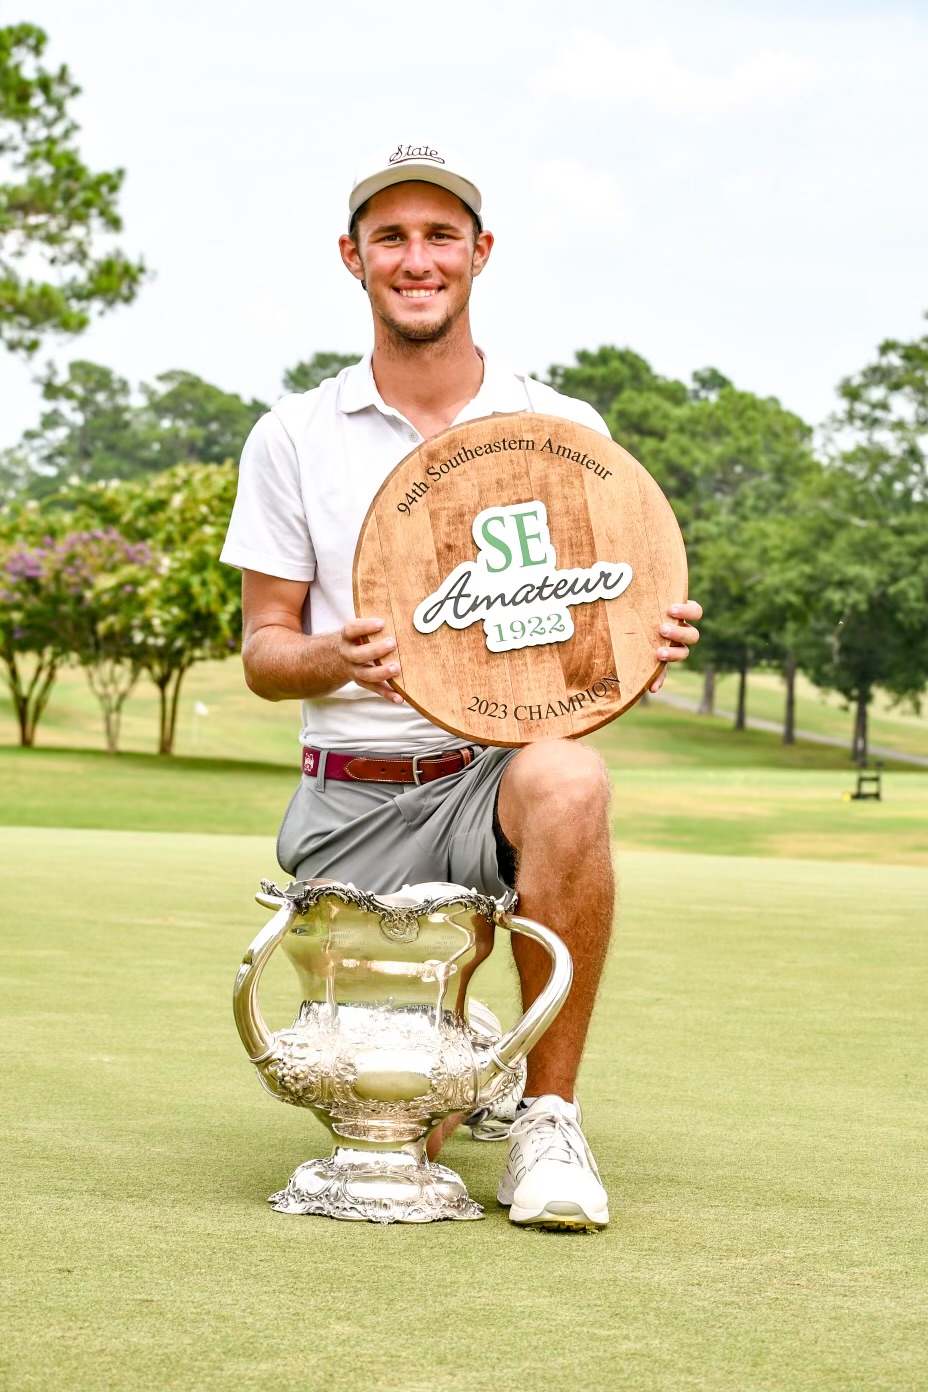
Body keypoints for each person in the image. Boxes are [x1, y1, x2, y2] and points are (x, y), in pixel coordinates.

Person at [221, 143, 702, 1231]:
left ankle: (547, 1116)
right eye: (390, 237)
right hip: (356, 792)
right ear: (352, 257)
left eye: (440, 235)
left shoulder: (562, 429)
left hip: (492, 775)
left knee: (569, 779)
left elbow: (583, 654)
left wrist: (641, 642)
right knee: (401, 1122)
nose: (417, 259)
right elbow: (263, 651)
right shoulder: (293, 434)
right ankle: (467, 1058)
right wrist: (336, 656)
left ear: (480, 252)